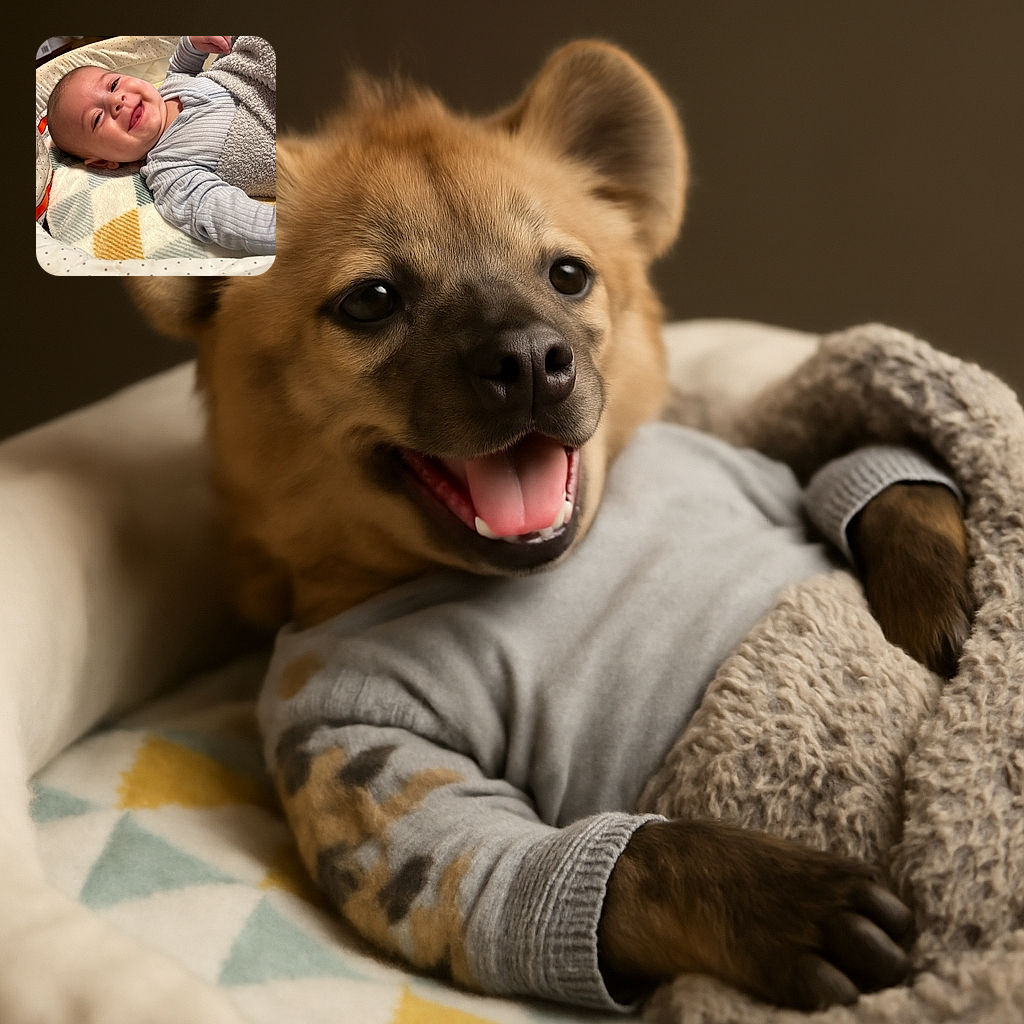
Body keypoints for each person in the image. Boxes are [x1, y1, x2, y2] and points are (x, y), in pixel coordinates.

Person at [46, 35, 275, 255]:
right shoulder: (170, 172)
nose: (117, 101)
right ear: (104, 162)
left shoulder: (169, 87)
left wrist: (193, 43)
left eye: (114, 84)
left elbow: (182, 66)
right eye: (97, 118)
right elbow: (228, 218)